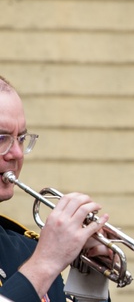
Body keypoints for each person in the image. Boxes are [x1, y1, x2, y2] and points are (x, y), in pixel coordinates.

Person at [0, 76, 110, 301]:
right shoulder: (39, 260)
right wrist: (45, 263)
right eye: (2, 138)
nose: (18, 153)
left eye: (20, 138)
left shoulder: (25, 250)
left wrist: (90, 281)